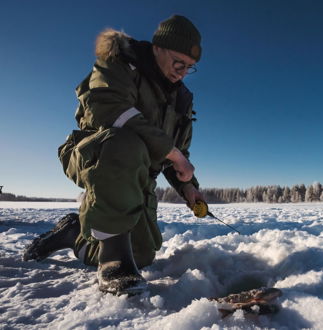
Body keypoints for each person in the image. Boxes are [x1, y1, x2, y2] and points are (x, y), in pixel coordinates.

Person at [23, 15, 206, 295]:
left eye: (190, 67)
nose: (182, 72)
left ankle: (74, 234)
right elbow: (108, 110)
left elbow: (176, 155)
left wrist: (188, 187)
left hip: (139, 174)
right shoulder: (120, 62)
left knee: (142, 255)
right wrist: (172, 152)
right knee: (125, 142)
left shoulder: (181, 100)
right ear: (158, 47)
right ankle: (113, 262)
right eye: (178, 62)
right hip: (97, 153)